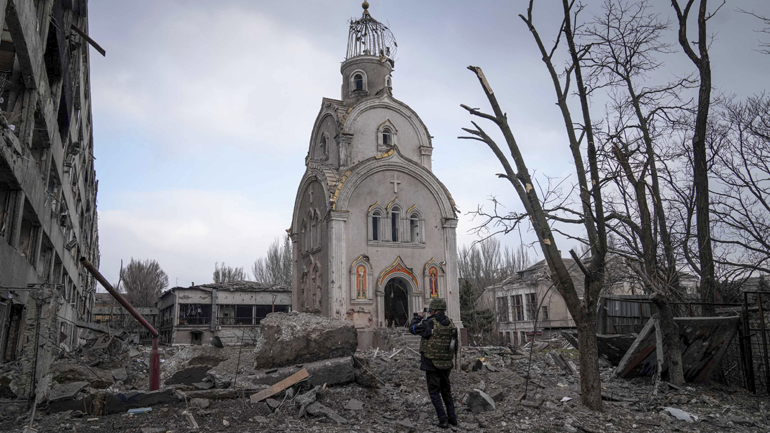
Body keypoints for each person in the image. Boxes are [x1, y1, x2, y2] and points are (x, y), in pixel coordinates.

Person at [409, 298, 458, 429]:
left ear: (434, 310)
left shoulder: (429, 323)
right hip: (446, 363)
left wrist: (417, 317)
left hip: (432, 362)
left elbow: (412, 329)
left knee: (434, 392)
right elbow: (455, 345)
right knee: (446, 391)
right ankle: (452, 418)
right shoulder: (450, 324)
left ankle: (443, 420)